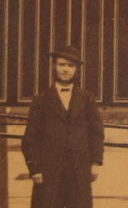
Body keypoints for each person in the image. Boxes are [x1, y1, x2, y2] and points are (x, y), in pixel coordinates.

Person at [21, 45, 104, 208]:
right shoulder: (41, 99)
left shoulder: (87, 99)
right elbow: (30, 137)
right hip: (49, 172)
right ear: (54, 66)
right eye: (62, 64)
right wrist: (34, 168)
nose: (66, 70)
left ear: (77, 69)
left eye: (71, 66)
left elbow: (96, 133)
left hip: (79, 172)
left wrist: (95, 163)